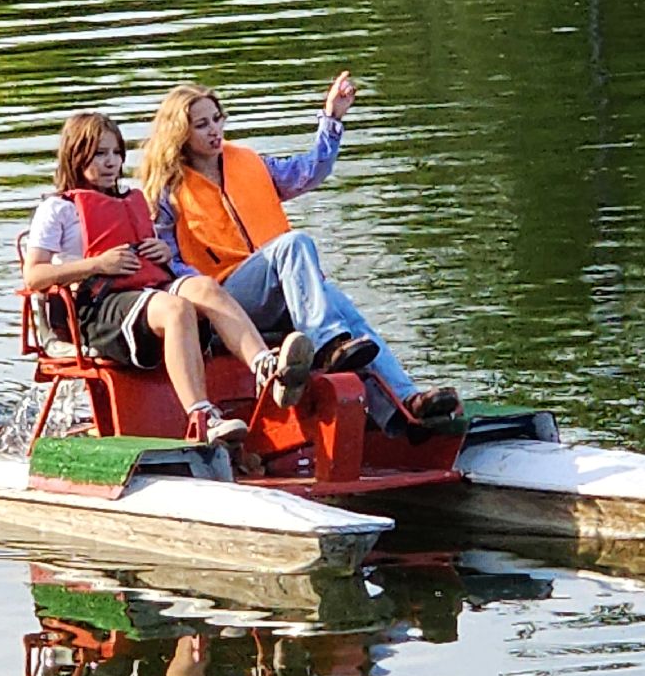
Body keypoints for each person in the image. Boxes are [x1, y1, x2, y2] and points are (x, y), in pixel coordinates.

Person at [137, 73, 459, 434]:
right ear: (180, 133)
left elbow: (310, 171)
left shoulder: (249, 162)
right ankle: (326, 343)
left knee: (338, 303)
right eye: (201, 125)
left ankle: (403, 406)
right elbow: (170, 265)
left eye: (217, 119)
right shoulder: (167, 191)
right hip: (224, 304)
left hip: (276, 294)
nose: (214, 130)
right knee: (295, 244)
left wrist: (332, 119)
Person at [22, 112, 314, 446]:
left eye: (116, 153)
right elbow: (34, 276)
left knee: (205, 287)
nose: (111, 163)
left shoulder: (130, 200)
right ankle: (202, 416)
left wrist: (162, 253)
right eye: (100, 154)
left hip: (146, 290)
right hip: (100, 308)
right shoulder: (57, 209)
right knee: (176, 309)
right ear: (76, 155)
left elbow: (157, 259)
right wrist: (96, 264)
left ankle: (266, 368)